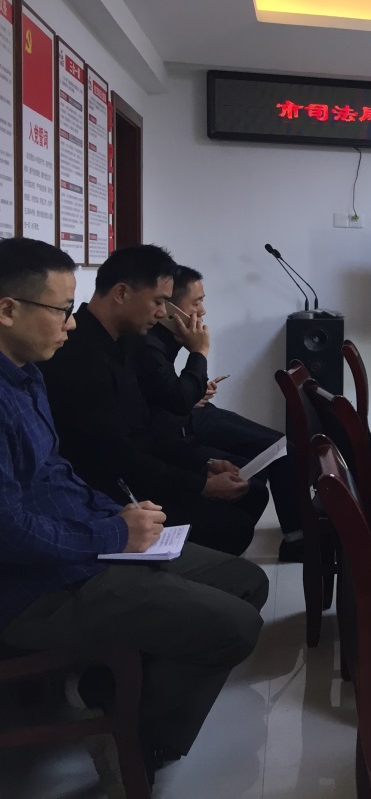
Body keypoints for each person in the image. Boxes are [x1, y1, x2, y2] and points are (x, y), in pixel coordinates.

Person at [0, 237, 268, 790]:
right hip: (38, 586)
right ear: (7, 310)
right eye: (60, 310)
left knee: (246, 582)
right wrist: (112, 533)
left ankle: (114, 698)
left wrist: (120, 513)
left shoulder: (26, 374)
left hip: (85, 542)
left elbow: (60, 473)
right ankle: (132, 741)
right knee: (236, 627)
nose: (70, 324)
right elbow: (9, 529)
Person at [37, 245, 267, 556]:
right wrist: (200, 484)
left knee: (250, 494)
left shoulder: (127, 342)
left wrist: (205, 466)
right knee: (230, 525)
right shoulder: (79, 356)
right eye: (158, 302)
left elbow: (148, 428)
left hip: (135, 469)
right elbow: (117, 456)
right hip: (111, 489)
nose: (161, 313)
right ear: (121, 293)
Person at [132, 265, 304, 561]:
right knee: (276, 458)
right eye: (196, 302)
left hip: (191, 414)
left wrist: (195, 390)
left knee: (281, 449)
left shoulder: (166, 338)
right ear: (171, 307)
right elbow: (170, 400)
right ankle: (292, 542)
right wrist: (199, 353)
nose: (203, 311)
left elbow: (170, 391)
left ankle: (296, 538)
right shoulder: (147, 343)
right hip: (182, 425)